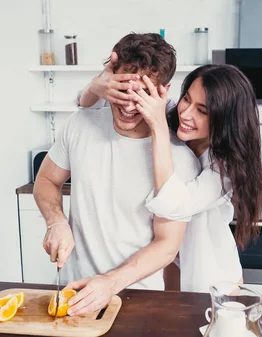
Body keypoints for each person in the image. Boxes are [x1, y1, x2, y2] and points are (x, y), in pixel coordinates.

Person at [33, 32, 200, 317]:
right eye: (122, 91)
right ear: (110, 77)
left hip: (139, 302)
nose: (128, 105)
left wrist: (110, 283)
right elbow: (46, 180)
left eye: (141, 95)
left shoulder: (179, 158)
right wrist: (55, 221)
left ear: (163, 91)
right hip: (73, 295)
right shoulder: (80, 124)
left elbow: (167, 245)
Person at [78, 61, 262, 293]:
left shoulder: (224, 169)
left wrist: (158, 127)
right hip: (172, 269)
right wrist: (97, 86)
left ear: (225, 119)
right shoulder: (173, 114)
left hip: (213, 277)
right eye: (187, 99)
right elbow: (86, 106)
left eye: (202, 111)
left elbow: (173, 205)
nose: (186, 113)